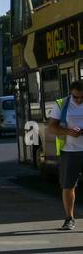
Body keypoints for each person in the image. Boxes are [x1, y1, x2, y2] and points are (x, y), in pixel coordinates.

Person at [46, 79, 83, 230]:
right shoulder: (61, 104)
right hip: (69, 151)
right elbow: (52, 128)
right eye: (76, 97)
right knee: (68, 186)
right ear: (71, 93)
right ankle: (69, 218)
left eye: (82, 97)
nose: (79, 100)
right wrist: (68, 131)